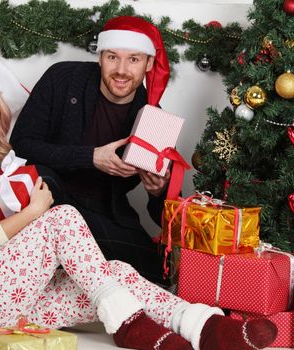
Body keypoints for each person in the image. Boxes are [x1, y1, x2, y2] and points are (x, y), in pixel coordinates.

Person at [0, 55, 278, 350]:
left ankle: (204, 327)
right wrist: (34, 212)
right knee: (61, 216)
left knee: (118, 273)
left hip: (10, 295)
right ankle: (127, 323)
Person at [9, 16, 177, 284]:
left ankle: (74, 266)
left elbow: (164, 215)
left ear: (148, 64)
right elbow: (22, 142)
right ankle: (77, 264)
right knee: (42, 178)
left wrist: (158, 191)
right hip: (52, 200)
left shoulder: (155, 120)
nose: (121, 70)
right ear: (100, 57)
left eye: (133, 59)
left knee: (156, 276)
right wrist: (91, 157)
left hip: (106, 213)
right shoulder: (63, 78)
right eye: (112, 57)